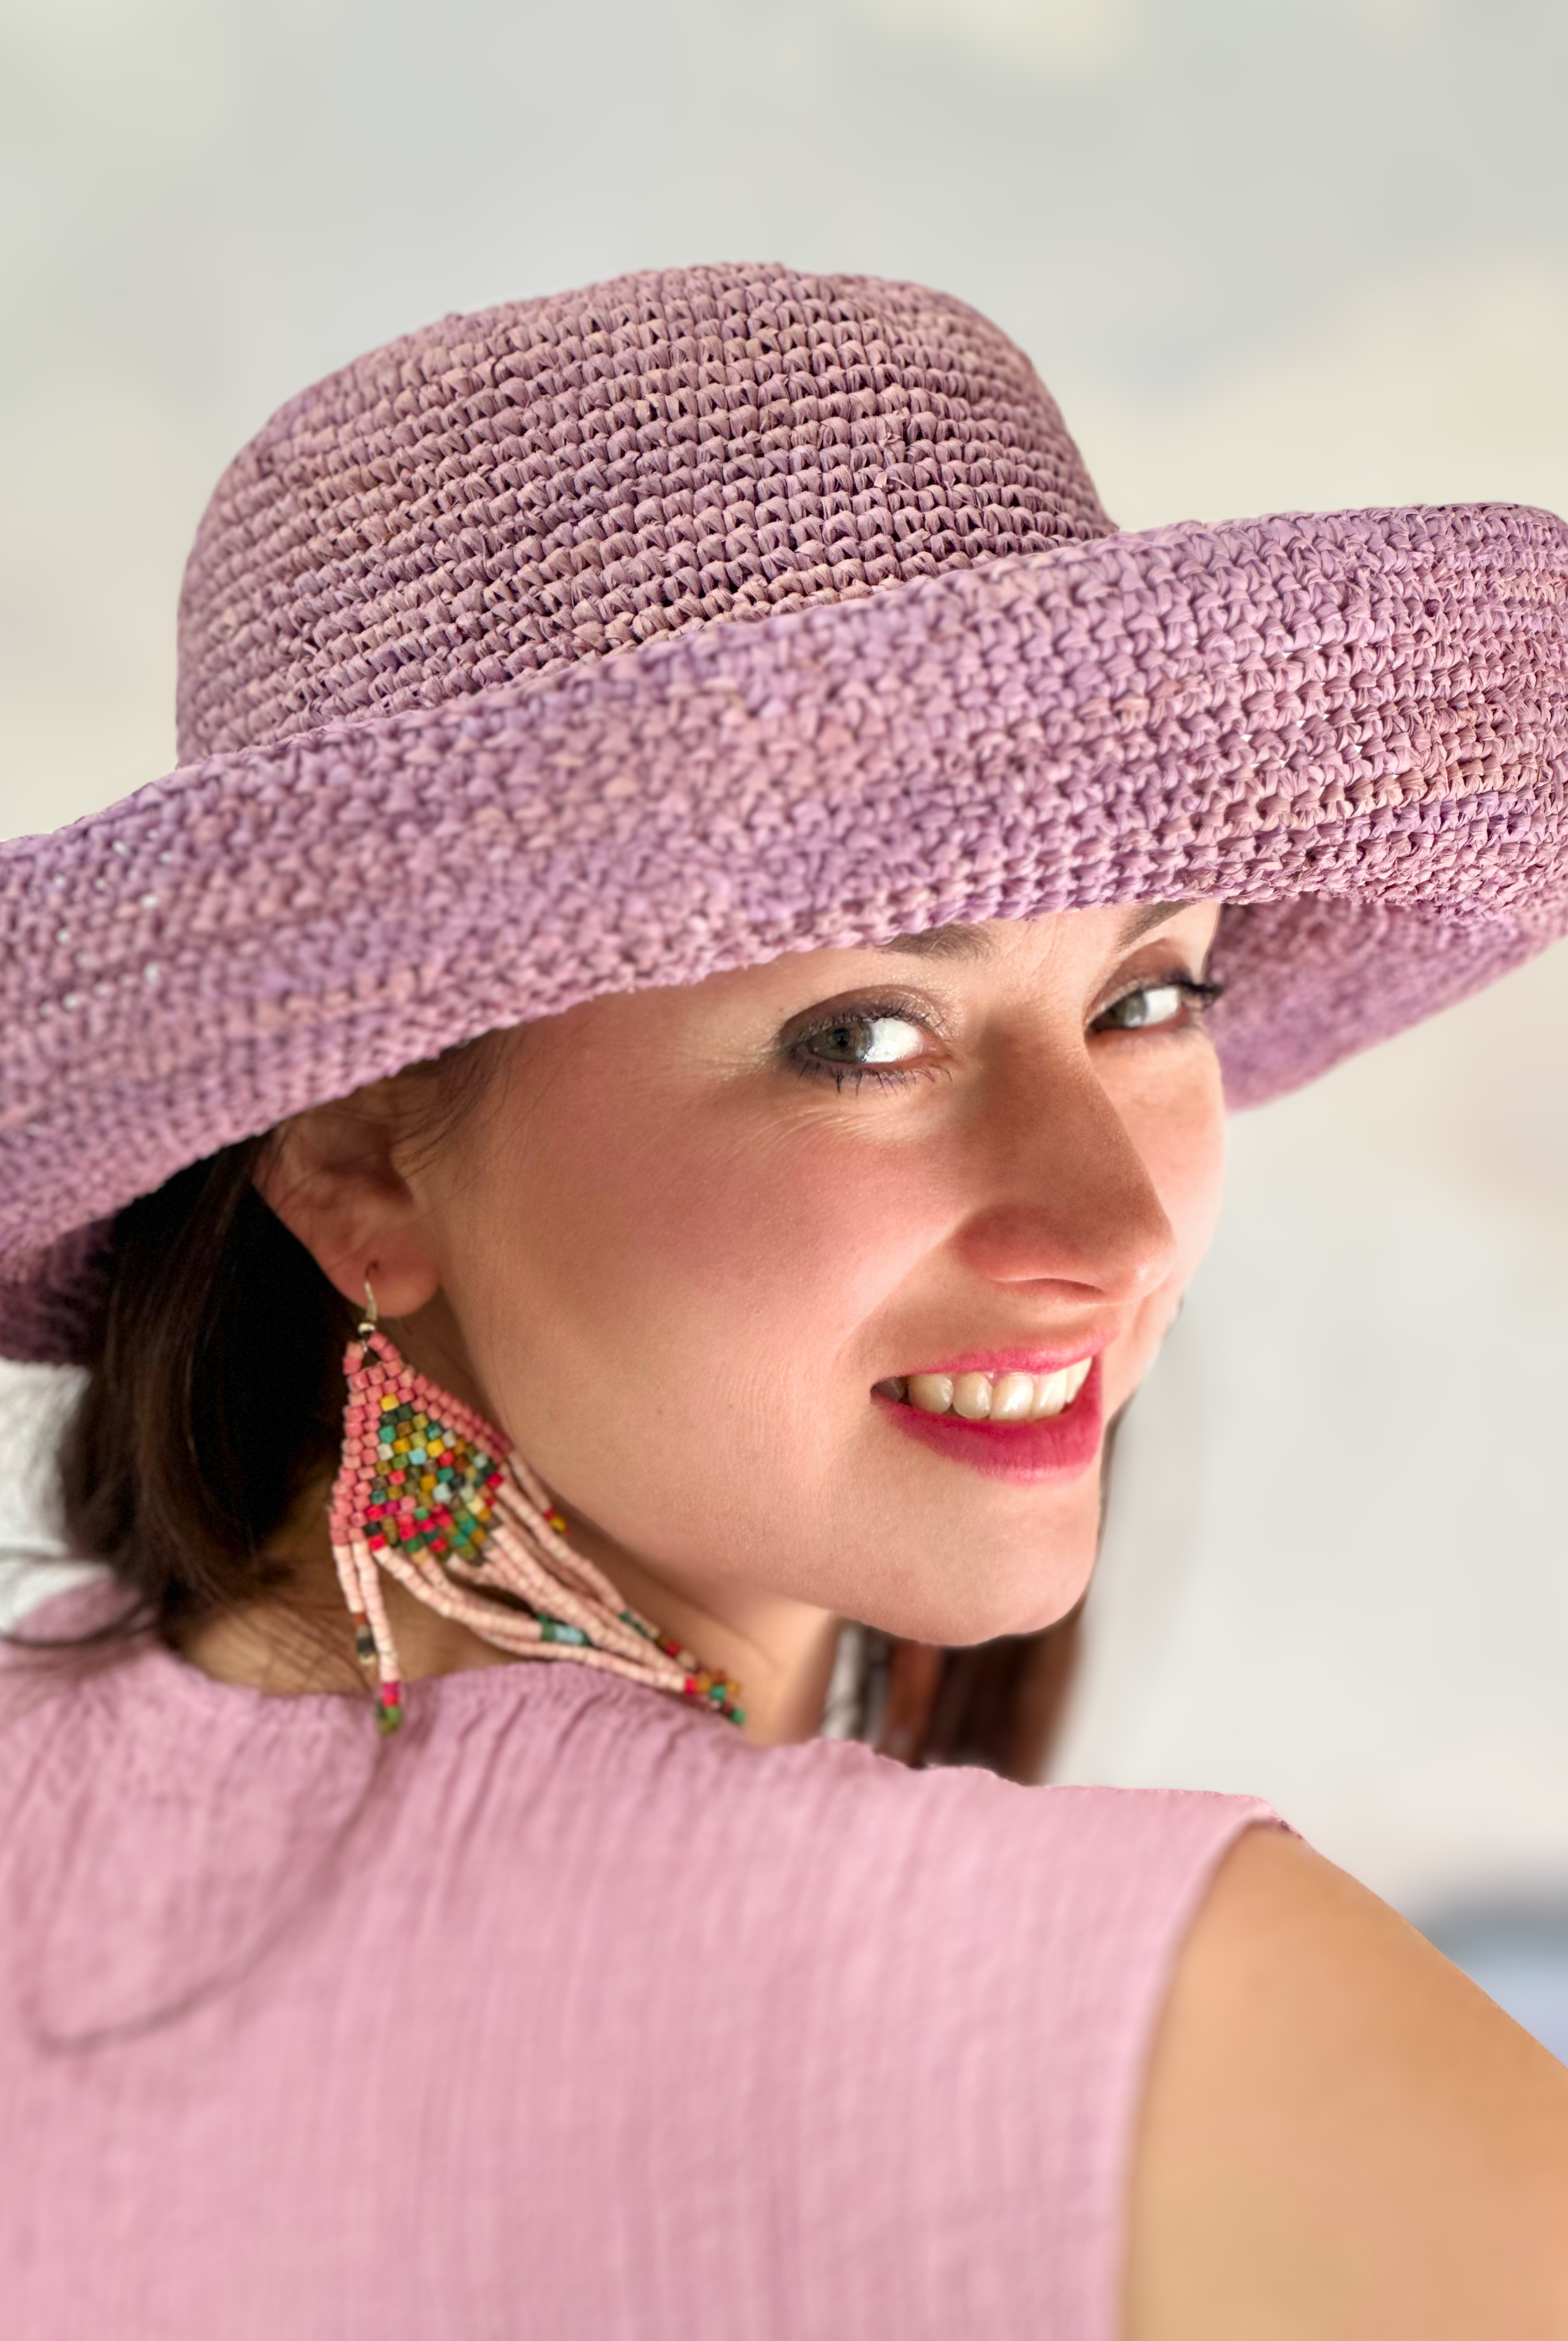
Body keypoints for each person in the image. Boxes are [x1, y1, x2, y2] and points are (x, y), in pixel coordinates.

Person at [1, 263, 1566, 2340]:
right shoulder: (1196, 2052)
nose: (1111, 1222)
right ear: (360, 1152)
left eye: (1148, 995)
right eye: (863, 1036)